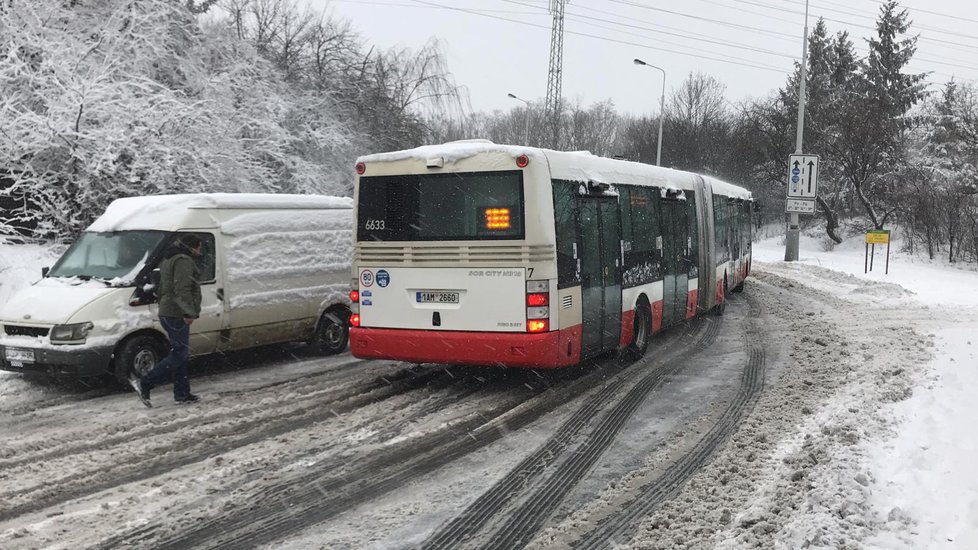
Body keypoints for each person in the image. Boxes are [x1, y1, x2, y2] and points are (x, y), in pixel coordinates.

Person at [130, 234, 203, 407]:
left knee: (180, 354)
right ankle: (145, 382)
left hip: (168, 311)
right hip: (176, 313)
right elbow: (182, 288)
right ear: (191, 246)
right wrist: (188, 312)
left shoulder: (169, 258)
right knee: (179, 354)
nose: (199, 251)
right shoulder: (183, 260)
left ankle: (182, 393)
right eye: (198, 247)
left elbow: (164, 287)